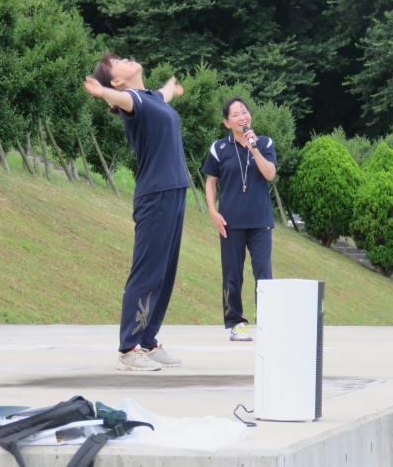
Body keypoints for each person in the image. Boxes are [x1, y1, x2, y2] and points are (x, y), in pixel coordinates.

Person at [83, 53, 189, 371]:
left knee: (165, 273)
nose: (127, 58)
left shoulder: (152, 97)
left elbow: (164, 95)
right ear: (117, 80)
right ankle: (128, 349)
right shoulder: (132, 100)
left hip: (174, 190)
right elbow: (122, 101)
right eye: (118, 62)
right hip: (155, 195)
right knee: (147, 271)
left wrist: (171, 86)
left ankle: (148, 341)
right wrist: (103, 93)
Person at [201, 97, 277, 341]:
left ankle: (267, 322)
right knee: (232, 274)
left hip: (260, 221)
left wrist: (254, 148)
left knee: (264, 273)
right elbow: (211, 181)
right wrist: (212, 211)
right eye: (236, 114)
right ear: (226, 122)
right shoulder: (219, 148)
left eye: (244, 112)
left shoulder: (264, 143)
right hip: (230, 222)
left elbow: (270, 174)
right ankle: (236, 322)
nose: (242, 117)